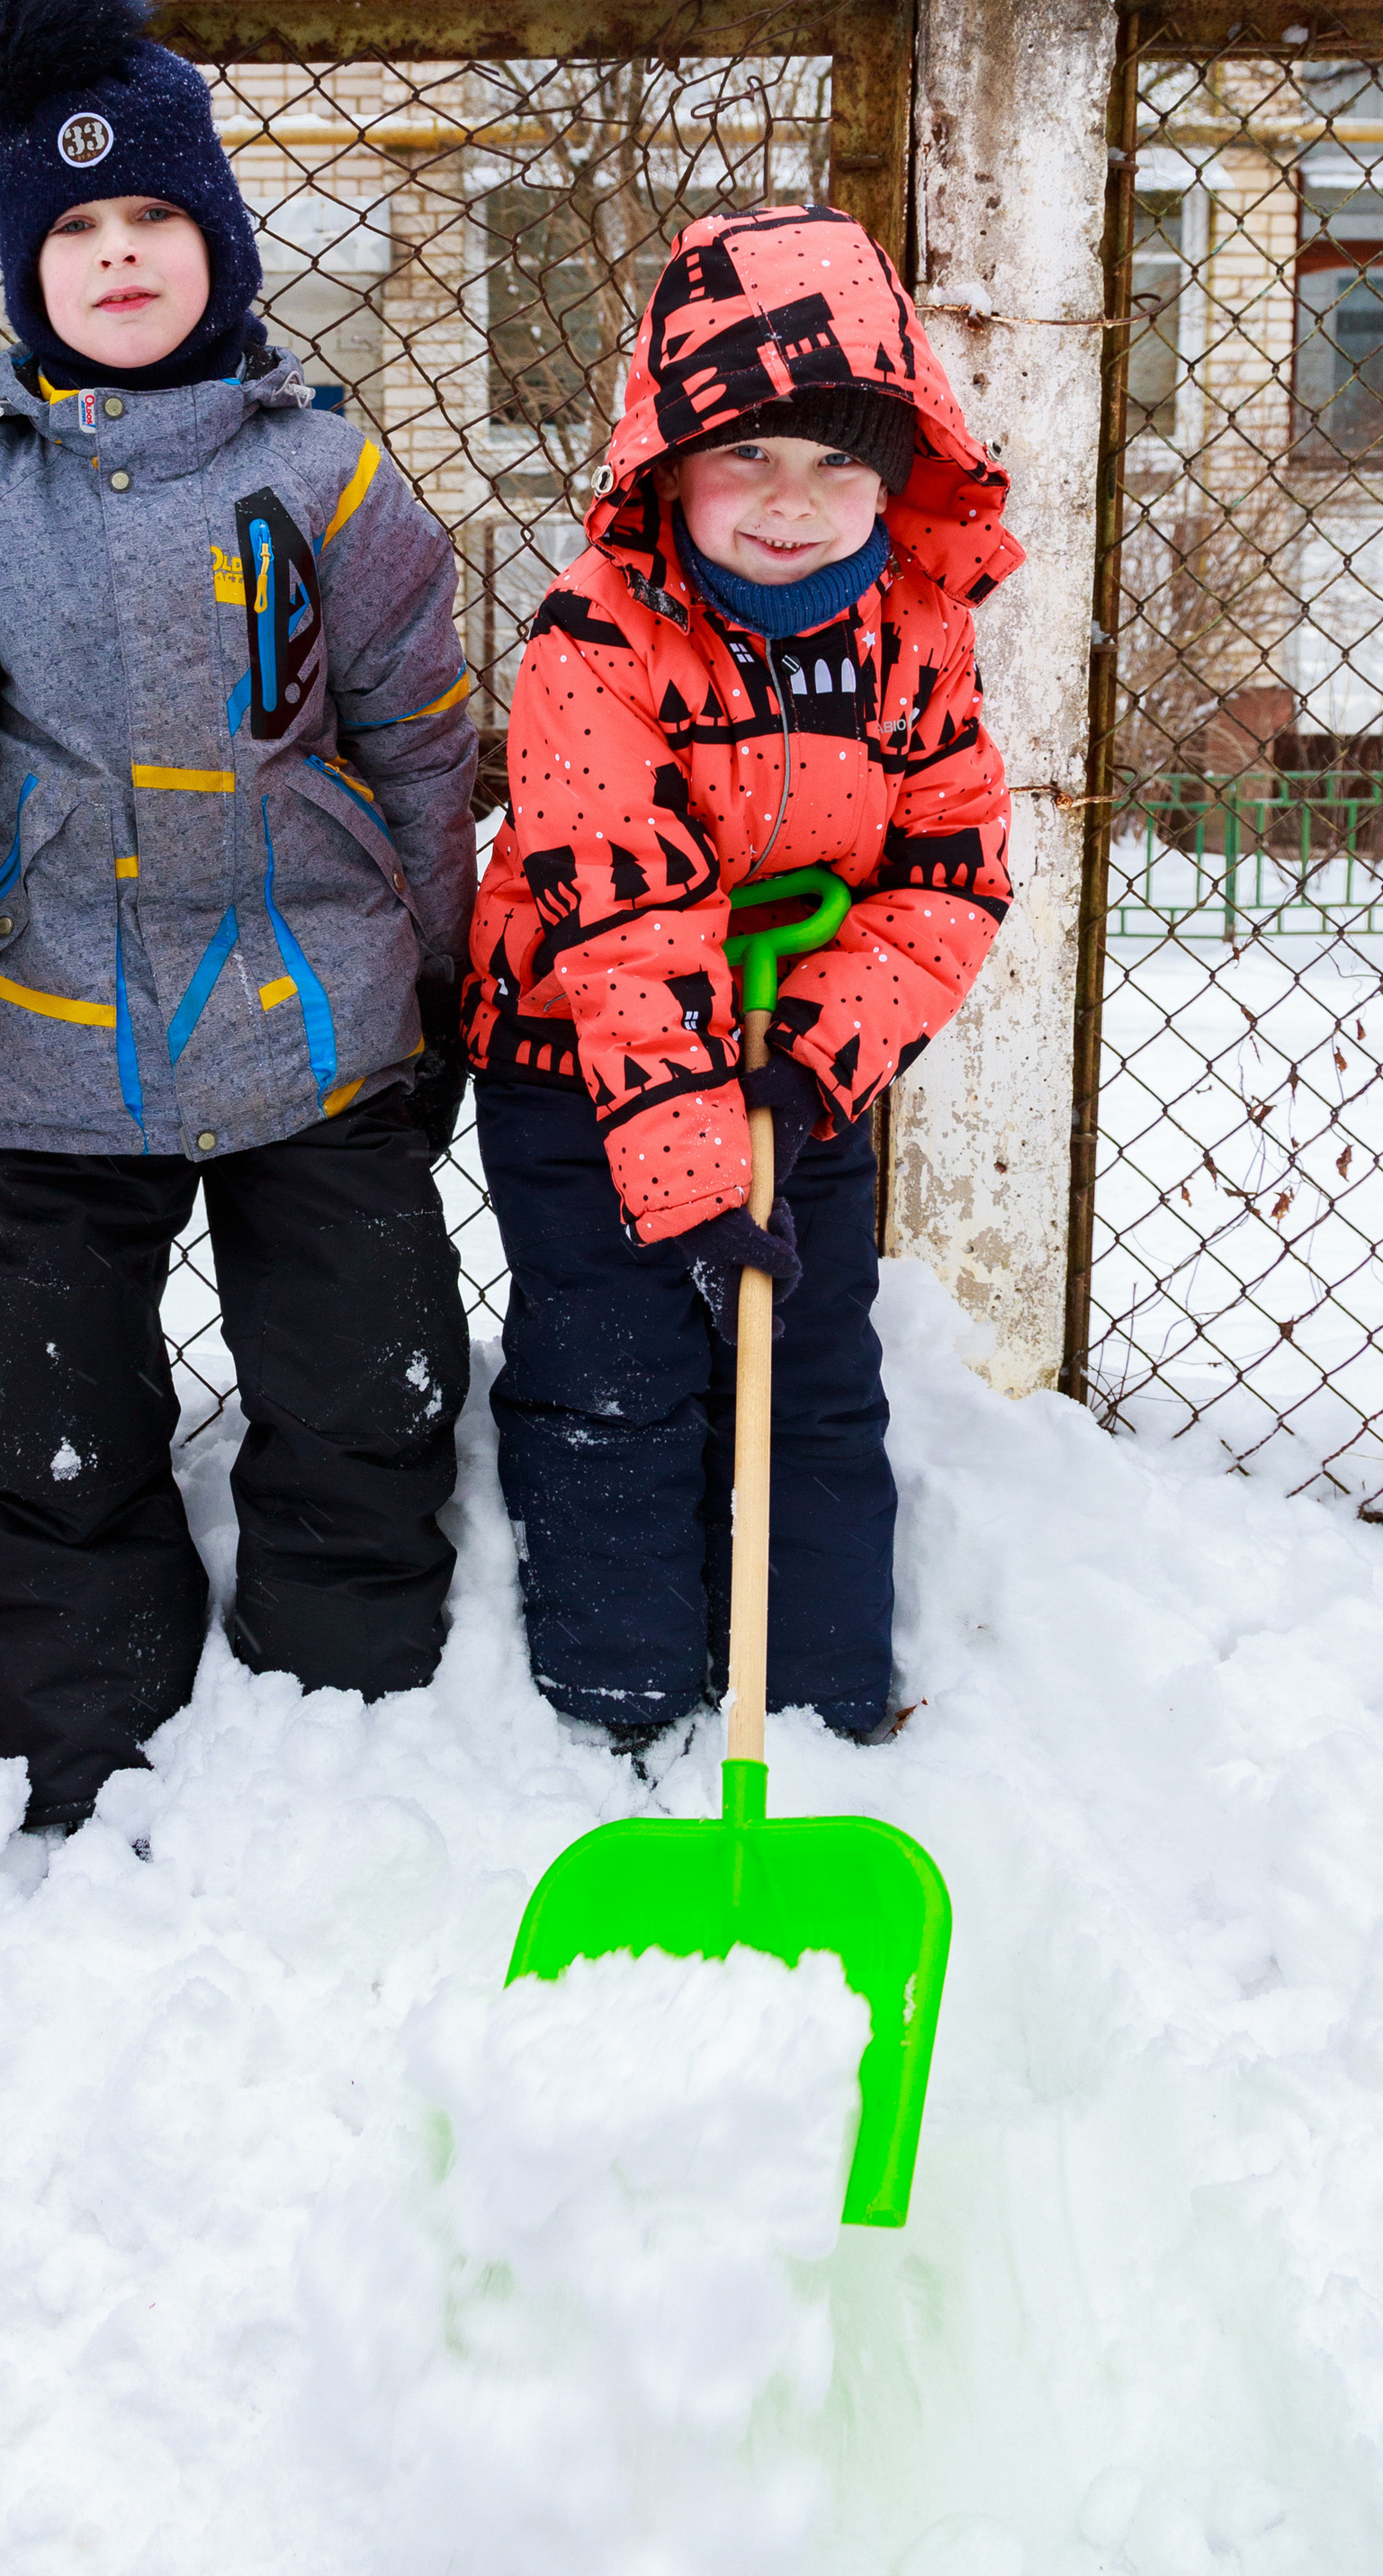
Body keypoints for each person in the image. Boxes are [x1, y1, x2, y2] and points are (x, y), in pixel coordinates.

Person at [0, 0, 478, 1836]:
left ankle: (348, 1703)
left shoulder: (332, 484)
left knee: (363, 1381)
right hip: (46, 1039)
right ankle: (77, 1734)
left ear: (218, 247)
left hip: (314, 1020)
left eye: (153, 227)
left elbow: (420, 740)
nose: (115, 258)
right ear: (26, 274)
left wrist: (439, 982)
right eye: (71, 240)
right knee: (53, 1422)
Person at [464, 203, 1019, 1749]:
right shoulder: (599, 637)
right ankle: (618, 1692)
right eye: (748, 457)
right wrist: (696, 1171)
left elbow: (952, 867)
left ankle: (816, 1690)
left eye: (842, 461)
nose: (794, 503)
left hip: (792, 1061)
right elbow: (624, 917)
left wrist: (824, 1049)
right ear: (668, 459)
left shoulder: (919, 641)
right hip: (581, 1057)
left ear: (903, 473)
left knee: (812, 1372)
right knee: (616, 1373)